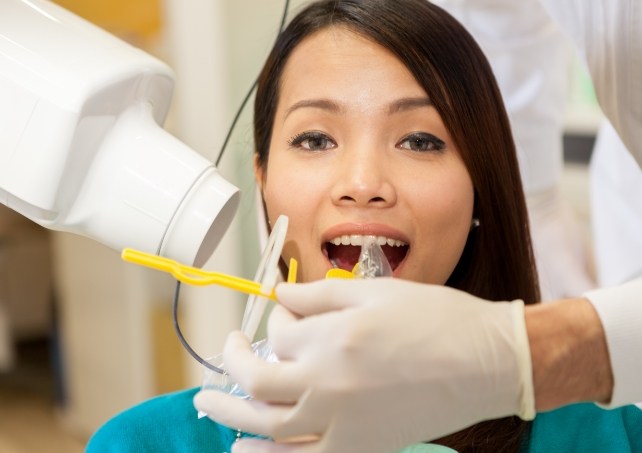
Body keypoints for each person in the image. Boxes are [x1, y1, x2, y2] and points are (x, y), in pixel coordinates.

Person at [86, 1, 642, 452]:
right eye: (315, 139)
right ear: (262, 179)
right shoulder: (143, 443)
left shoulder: (613, 437)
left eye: (420, 140)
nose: (363, 182)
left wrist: (526, 354)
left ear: (481, 189)